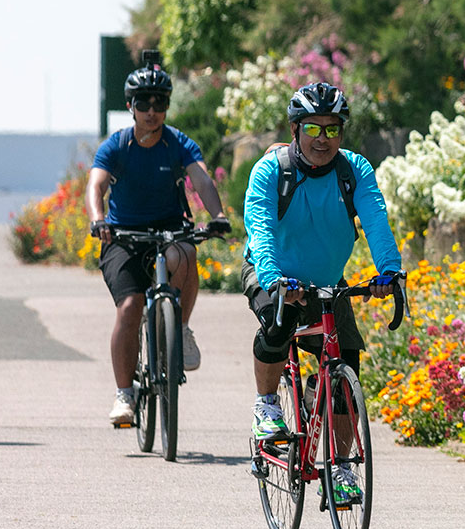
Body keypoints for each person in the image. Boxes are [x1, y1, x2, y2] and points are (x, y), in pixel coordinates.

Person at [242, 81, 403, 502]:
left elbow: (376, 222)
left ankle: (342, 469)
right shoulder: (272, 171)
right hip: (271, 270)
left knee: (346, 372)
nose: (323, 139)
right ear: (295, 129)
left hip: (328, 284)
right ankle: (266, 405)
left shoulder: (354, 171)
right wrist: (275, 278)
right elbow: (260, 231)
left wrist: (390, 272)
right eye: (313, 129)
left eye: (333, 130)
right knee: (278, 325)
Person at [88, 59, 229, 427]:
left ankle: (179, 328)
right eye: (144, 103)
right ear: (131, 106)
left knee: (185, 253)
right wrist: (97, 219)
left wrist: (217, 216)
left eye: (160, 104)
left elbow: (201, 180)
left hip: (169, 229)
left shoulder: (177, 143)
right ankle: (125, 395)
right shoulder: (116, 146)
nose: (153, 111)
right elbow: (96, 185)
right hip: (122, 235)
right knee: (131, 305)